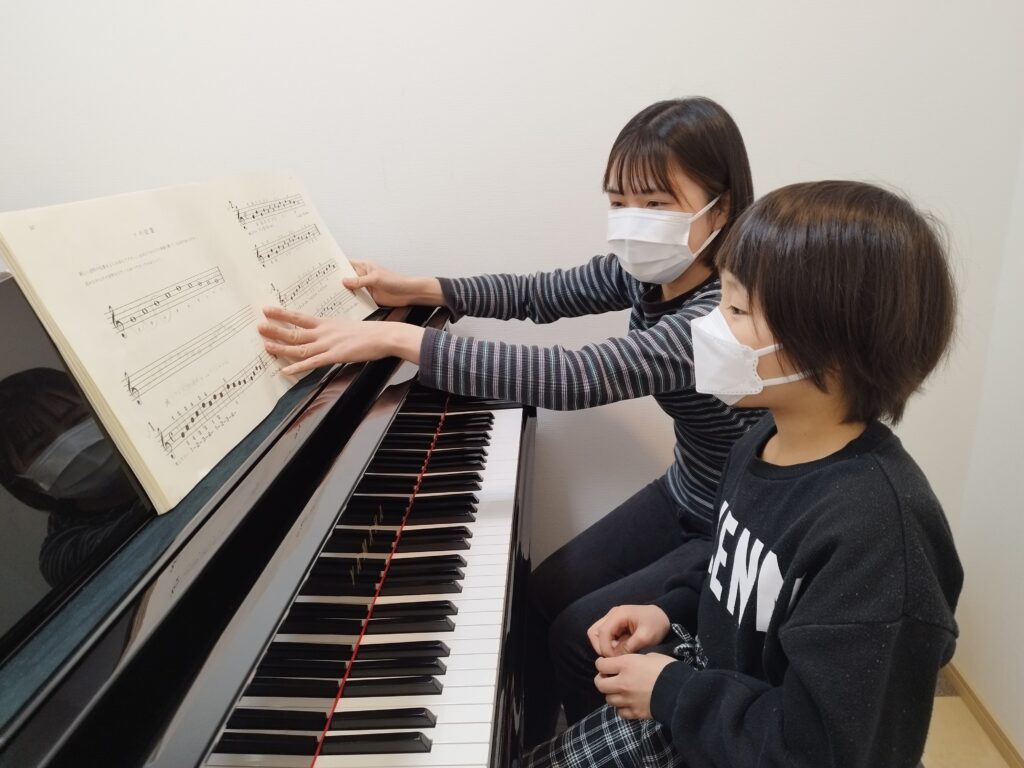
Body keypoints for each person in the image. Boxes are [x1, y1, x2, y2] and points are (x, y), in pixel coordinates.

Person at [257, 96, 764, 743]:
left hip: (736, 523)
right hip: (687, 488)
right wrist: (420, 289)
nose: (633, 220)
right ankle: (531, 743)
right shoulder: (652, 275)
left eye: (656, 203)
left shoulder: (719, 316)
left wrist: (396, 339)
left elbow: (576, 377)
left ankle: (602, 749)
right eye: (620, 201)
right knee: (544, 590)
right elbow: (540, 293)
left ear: (720, 208)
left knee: (578, 632)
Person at [523, 180, 962, 768]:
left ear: (831, 346)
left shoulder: (879, 538)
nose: (709, 326)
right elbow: (734, 569)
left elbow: (825, 750)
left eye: (735, 309)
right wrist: (670, 609)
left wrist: (674, 692)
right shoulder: (761, 442)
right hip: (714, 709)